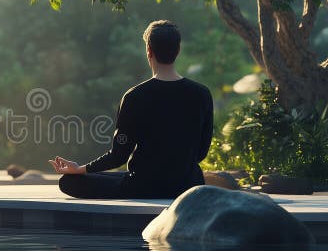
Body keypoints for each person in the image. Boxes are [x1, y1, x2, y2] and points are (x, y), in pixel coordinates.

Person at [49, 20, 213, 199]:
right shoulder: (202, 94)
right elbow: (201, 152)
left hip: (144, 186)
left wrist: (81, 169)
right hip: (187, 185)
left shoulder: (135, 96)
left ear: (148, 50)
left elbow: (118, 157)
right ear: (178, 50)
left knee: (69, 181)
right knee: (104, 176)